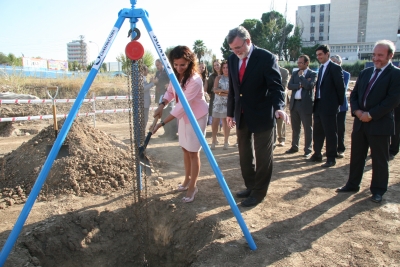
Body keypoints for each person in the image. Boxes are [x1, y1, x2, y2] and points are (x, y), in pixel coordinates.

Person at [226, 26, 289, 207]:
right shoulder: (232, 60)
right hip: (241, 115)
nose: (236, 52)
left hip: (262, 114)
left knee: (263, 157)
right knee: (244, 156)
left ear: (248, 41)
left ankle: (259, 193)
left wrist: (279, 107)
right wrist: (230, 112)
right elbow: (233, 89)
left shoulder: (266, 57)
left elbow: (276, 86)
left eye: (238, 48)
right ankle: (251, 186)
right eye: (233, 49)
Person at [336, 40, 400, 203]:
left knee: (379, 159)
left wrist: (370, 114)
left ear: (390, 56)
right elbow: (355, 94)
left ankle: (378, 190)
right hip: (360, 122)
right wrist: (357, 111)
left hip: (380, 124)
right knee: (357, 156)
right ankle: (352, 184)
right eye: (374, 55)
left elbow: (392, 100)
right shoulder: (366, 72)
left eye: (380, 55)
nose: (376, 58)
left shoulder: (396, 74)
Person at [152, 46, 208, 203]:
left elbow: (182, 105)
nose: (178, 68)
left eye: (182, 65)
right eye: (175, 64)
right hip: (183, 117)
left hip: (196, 117)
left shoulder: (195, 80)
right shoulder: (175, 76)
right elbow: (170, 92)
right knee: (185, 148)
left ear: (190, 63)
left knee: (193, 152)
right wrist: (162, 104)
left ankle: (193, 187)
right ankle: (186, 180)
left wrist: (162, 123)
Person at [310, 44, 345, 167]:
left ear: (327, 54)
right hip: (319, 104)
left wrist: (338, 104)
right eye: (317, 55)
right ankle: (317, 154)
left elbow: (340, 88)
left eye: (320, 54)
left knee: (330, 133)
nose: (318, 57)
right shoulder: (321, 68)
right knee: (318, 131)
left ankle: (331, 158)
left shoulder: (334, 68)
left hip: (329, 106)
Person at [285, 55, 317, 157]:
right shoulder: (294, 73)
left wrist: (302, 77)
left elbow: (309, 86)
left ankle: (308, 150)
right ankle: (294, 146)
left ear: (307, 63)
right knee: (295, 127)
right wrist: (300, 85)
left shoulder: (313, 74)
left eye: (301, 63)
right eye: (298, 63)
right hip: (295, 104)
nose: (299, 64)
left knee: (307, 128)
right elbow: (289, 86)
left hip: (305, 104)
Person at [330, 55, 350, 158]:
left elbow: (342, 89)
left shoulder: (346, 74)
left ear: (339, 63)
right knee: (331, 128)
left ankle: (341, 149)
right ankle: (332, 148)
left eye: (334, 61)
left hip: (341, 106)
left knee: (340, 128)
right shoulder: (327, 73)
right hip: (330, 106)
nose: (332, 63)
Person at [154, 59, 177, 139]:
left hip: (168, 96)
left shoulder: (168, 72)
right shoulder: (157, 73)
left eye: (158, 65)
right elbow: (156, 81)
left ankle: (173, 134)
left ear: (162, 64)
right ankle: (166, 132)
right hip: (160, 95)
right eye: (156, 65)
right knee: (163, 115)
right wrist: (155, 81)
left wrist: (169, 85)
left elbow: (171, 81)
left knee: (169, 114)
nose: (157, 67)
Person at [210, 60, 230, 150]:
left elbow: (232, 93)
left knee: (226, 122)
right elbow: (215, 90)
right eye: (224, 67)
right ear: (222, 69)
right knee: (215, 122)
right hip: (217, 103)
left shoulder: (233, 78)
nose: (225, 69)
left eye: (227, 67)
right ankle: (214, 140)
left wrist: (220, 91)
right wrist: (226, 92)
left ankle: (226, 141)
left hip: (228, 103)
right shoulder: (218, 78)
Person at [275, 59, 290, 147]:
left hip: (280, 99)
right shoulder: (266, 69)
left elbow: (283, 86)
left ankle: (281, 139)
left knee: (280, 119)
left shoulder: (284, 72)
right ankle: (273, 139)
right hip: (268, 99)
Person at [206, 59, 221, 125]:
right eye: (214, 65)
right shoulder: (212, 77)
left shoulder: (226, 74)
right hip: (214, 98)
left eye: (217, 65)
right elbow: (209, 90)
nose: (216, 67)